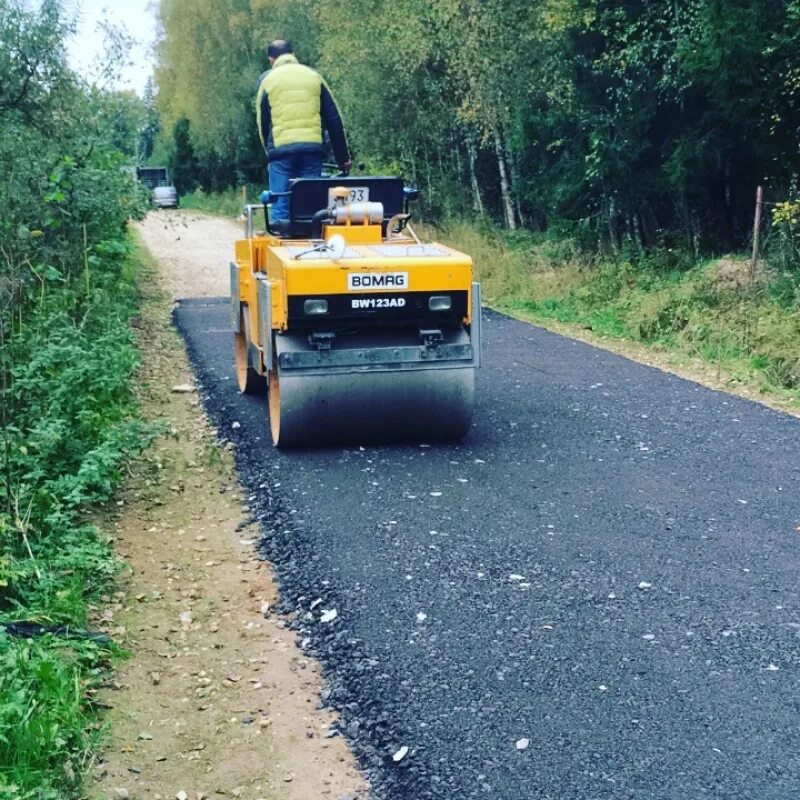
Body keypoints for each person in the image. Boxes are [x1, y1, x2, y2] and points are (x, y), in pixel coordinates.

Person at [255, 40, 351, 222]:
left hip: (281, 152)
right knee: (310, 204)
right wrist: (343, 158)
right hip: (312, 150)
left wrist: (270, 152)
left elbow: (262, 123)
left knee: (280, 203)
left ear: (271, 59)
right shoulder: (314, 77)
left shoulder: (267, 81)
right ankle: (311, 241)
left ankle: (281, 239)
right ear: (292, 54)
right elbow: (334, 120)